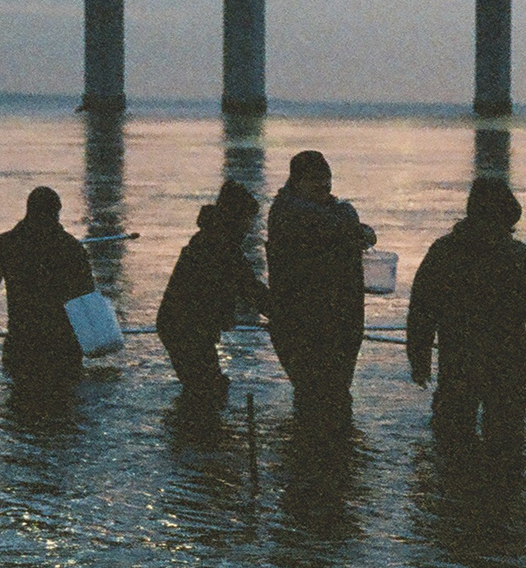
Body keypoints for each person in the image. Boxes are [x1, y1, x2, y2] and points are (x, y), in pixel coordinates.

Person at [406, 177, 526, 453]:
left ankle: (448, 489)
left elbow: (422, 310)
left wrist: (419, 358)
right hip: (506, 363)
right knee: (505, 441)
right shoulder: (516, 256)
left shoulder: (443, 252)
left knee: (451, 436)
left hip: (457, 361)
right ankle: (502, 490)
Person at [265, 151, 376, 431]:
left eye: (326, 179)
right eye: (315, 179)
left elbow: (345, 228)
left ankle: (317, 461)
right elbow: (338, 224)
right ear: (297, 181)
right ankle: (323, 461)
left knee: (329, 396)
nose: (324, 185)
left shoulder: (316, 211)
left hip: (337, 321)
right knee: (322, 398)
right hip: (306, 323)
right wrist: (354, 223)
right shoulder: (292, 213)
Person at [155, 179, 269, 411]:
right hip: (186, 328)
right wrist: (287, 315)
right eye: (248, 220)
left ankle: (191, 432)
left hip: (181, 325)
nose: (250, 227)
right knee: (207, 389)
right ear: (235, 218)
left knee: (203, 385)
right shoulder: (221, 247)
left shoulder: (210, 238)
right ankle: (199, 434)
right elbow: (251, 290)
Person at [0, 186, 98, 381]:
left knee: (20, 402)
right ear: (56, 213)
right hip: (63, 347)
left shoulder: (6, 244)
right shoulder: (70, 248)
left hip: (21, 345)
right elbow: (87, 295)